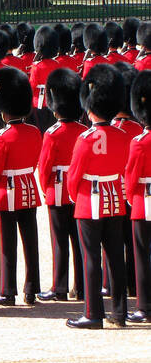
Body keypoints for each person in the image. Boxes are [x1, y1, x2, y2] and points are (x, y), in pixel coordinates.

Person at [65, 63, 132, 328]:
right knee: (116, 256)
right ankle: (119, 313)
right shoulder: (122, 135)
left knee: (91, 257)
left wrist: (75, 196)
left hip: (88, 201)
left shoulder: (85, 138)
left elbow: (74, 176)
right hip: (115, 200)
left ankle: (93, 314)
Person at [0, 66, 42, 307]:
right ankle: (31, 289)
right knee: (31, 242)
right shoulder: (34, 132)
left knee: (8, 244)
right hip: (29, 189)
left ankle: (7, 290)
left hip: (7, 192)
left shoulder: (1, 136)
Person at [36, 68, 85, 302]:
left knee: (59, 241)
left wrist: (46, 188)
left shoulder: (52, 134)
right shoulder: (85, 131)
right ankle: (83, 285)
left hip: (57, 190)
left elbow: (44, 168)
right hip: (81, 192)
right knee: (80, 241)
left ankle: (60, 286)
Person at [125, 70, 151, 323]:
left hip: (145, 200)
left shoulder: (140, 142)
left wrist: (131, 197)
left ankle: (144, 306)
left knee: (142, 253)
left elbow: (131, 176)